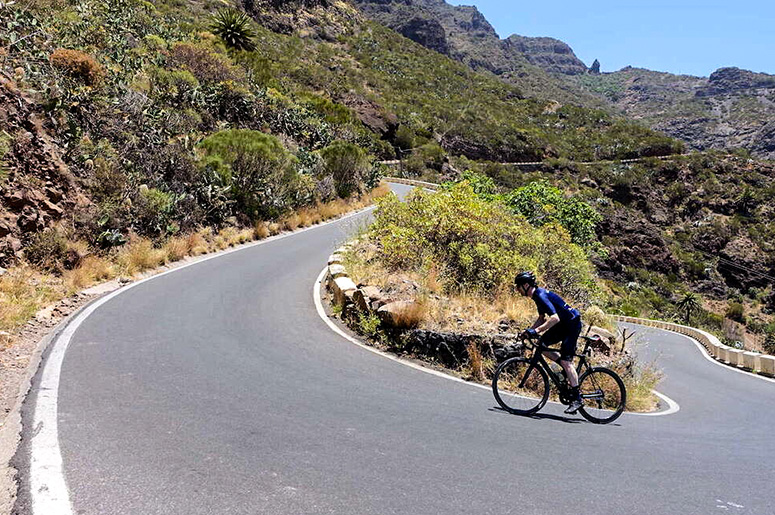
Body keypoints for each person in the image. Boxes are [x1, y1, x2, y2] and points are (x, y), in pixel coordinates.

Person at [514, 271, 584, 414]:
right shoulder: (536, 296)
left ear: (526, 285)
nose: (517, 289)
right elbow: (541, 319)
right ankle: (564, 369)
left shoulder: (540, 295)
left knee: (566, 361)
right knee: (542, 345)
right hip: (563, 324)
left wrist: (537, 331)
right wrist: (529, 331)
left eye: (518, 286)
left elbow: (555, 318)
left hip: (571, 324)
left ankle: (577, 398)